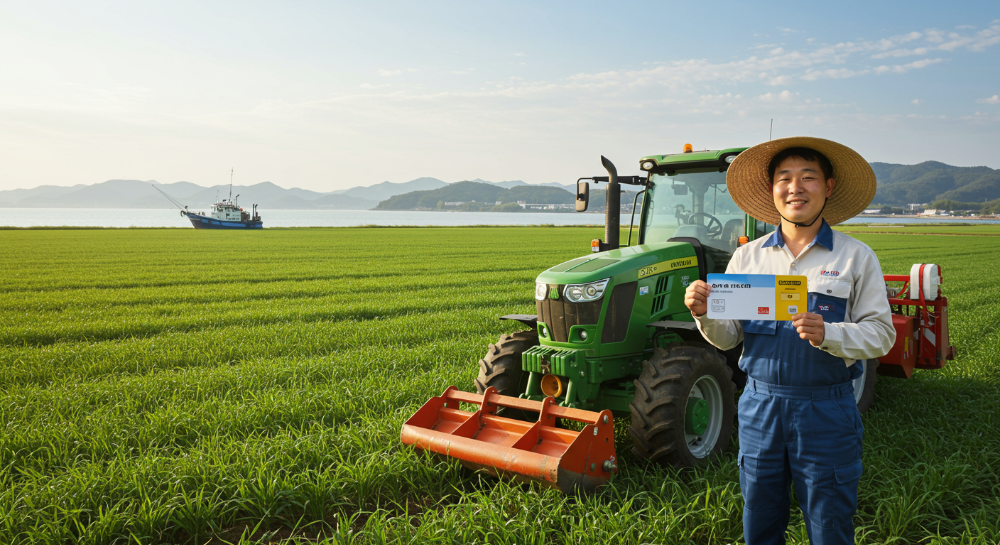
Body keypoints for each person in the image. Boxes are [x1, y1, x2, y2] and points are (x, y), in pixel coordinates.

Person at [684, 137, 896, 545]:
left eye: (807, 177)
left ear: (828, 187)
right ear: (772, 190)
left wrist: (830, 333)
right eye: (784, 178)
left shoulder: (855, 257)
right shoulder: (748, 258)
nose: (795, 187)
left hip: (827, 409)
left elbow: (882, 334)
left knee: (829, 523)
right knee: (760, 520)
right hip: (760, 407)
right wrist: (704, 313)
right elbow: (729, 338)